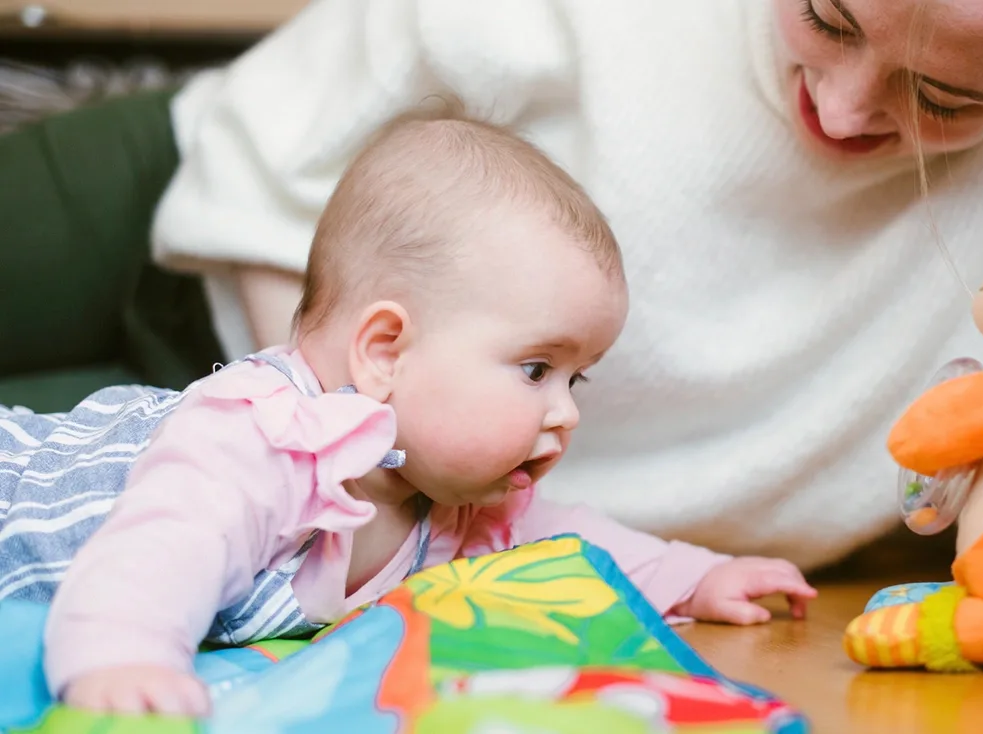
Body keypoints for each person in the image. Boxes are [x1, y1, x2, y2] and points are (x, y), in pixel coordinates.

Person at [0, 0, 983, 644]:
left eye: (944, 98)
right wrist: (349, 402)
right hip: (195, 224)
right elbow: (314, 119)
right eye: (828, 15)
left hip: (385, 516)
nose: (840, 109)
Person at [2, 115, 816, 717]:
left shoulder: (453, 501)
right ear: (385, 351)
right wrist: (123, 657)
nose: (563, 413)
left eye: (578, 380)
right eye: (537, 369)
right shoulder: (262, 438)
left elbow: (571, 541)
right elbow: (165, 544)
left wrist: (697, 575)